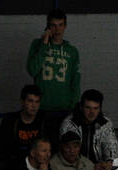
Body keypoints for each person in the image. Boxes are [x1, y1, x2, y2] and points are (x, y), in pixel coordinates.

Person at [57, 89, 118, 170]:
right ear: (81, 107)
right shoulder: (69, 123)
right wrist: (91, 166)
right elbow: (69, 154)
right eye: (88, 108)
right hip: (75, 166)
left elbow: (112, 145)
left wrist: (109, 162)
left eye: (95, 108)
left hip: (98, 167)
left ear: (100, 108)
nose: (91, 112)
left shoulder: (105, 123)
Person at [27, 8, 80, 139]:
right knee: (42, 147)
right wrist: (44, 43)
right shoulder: (37, 44)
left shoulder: (72, 51)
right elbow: (32, 70)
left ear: (65, 26)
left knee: (61, 146)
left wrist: (73, 106)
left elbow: (75, 79)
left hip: (64, 108)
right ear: (48, 26)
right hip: (42, 106)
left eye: (60, 25)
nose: (57, 29)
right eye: (53, 25)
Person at [0, 85, 45, 164]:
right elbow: (0, 150)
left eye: (37, 102)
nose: (34, 106)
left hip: (37, 163)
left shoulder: (43, 121)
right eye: (30, 101)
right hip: (14, 163)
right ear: (22, 102)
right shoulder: (10, 120)